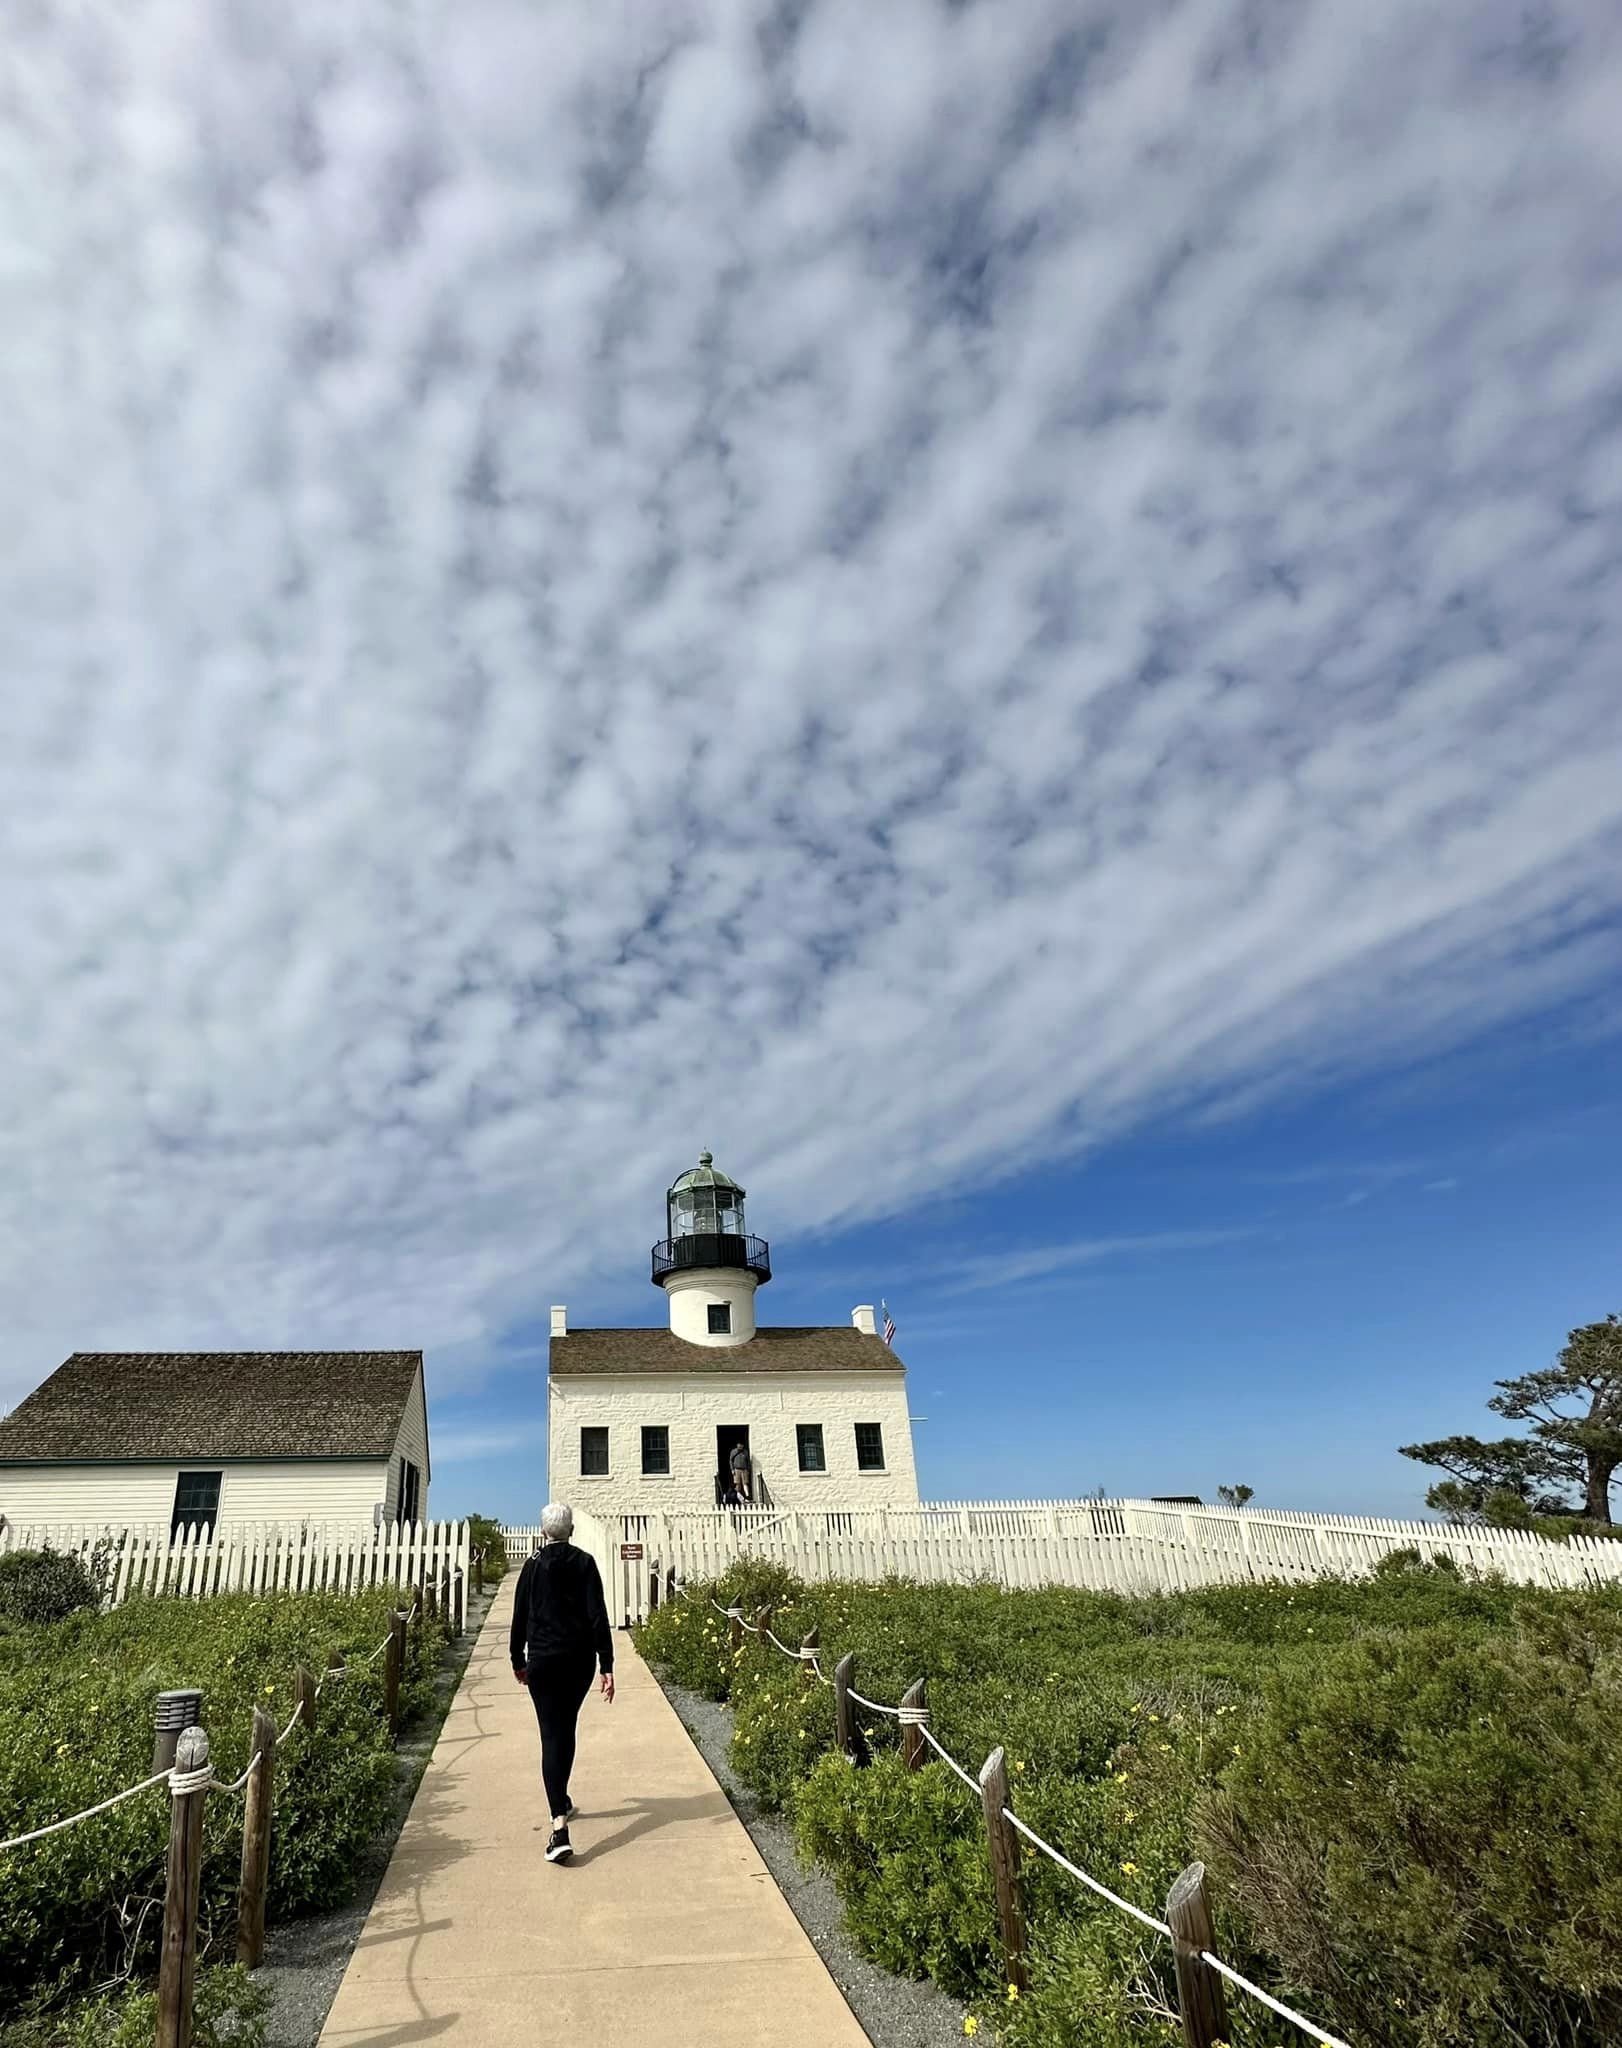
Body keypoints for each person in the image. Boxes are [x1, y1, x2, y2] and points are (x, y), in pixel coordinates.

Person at [509, 1502, 614, 1864]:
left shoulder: (533, 1565)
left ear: (543, 1531)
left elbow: (519, 1614)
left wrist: (516, 1659)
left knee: (551, 1736)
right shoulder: (585, 1563)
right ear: (571, 1530)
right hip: (578, 1662)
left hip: (543, 1662)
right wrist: (607, 1664)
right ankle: (562, 1799)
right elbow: (597, 1614)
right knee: (564, 1732)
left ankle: (558, 1826)